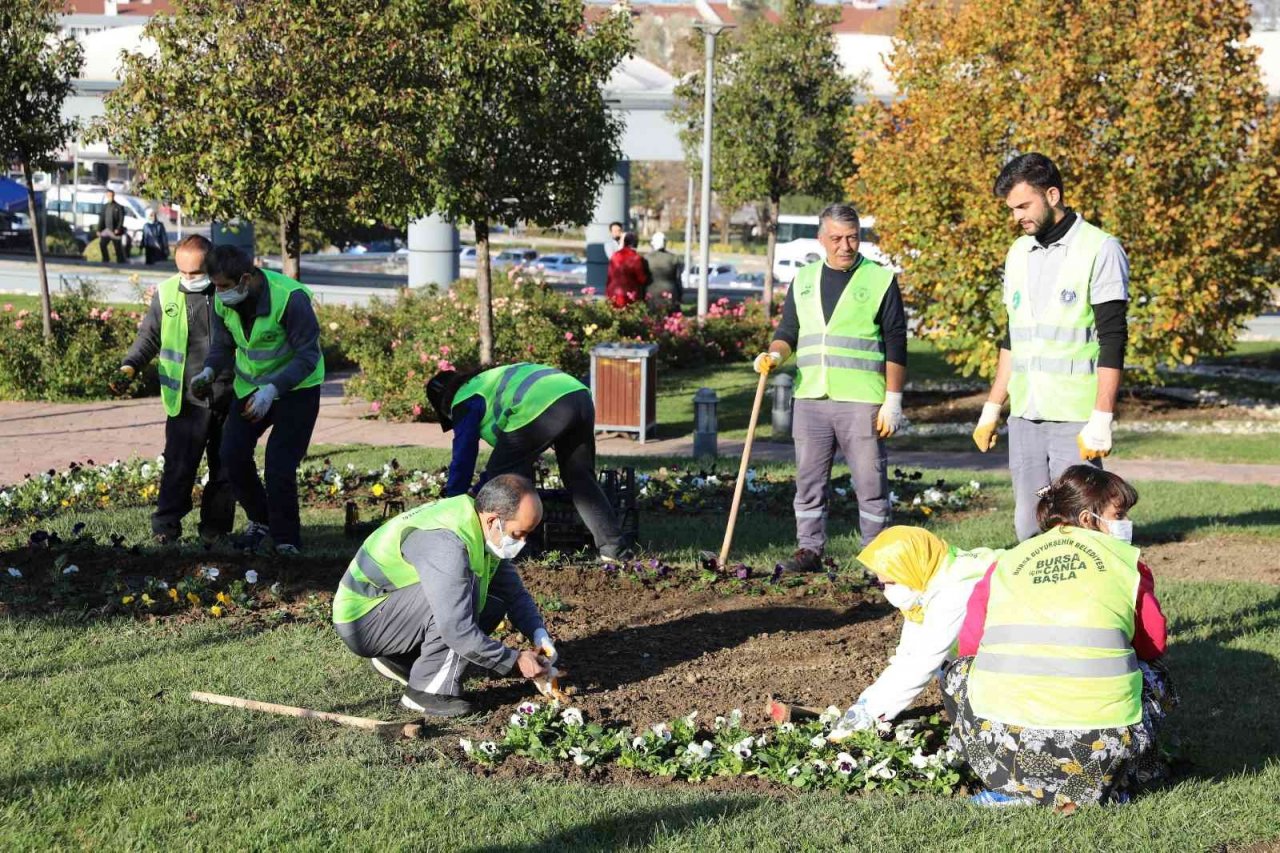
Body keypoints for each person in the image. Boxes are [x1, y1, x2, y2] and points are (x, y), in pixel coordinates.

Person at [943, 465, 1176, 808]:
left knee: (960, 671)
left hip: (1004, 740)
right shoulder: (1125, 564)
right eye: (1120, 513)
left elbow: (970, 646)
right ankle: (1122, 778)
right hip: (1098, 747)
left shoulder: (1007, 561)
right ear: (1088, 518)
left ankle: (1009, 785)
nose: (1127, 522)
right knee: (1152, 674)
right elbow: (1153, 644)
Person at [973, 153, 1130, 541]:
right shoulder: (1017, 254)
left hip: (1076, 418)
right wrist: (992, 407)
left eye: (1024, 206)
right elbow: (1014, 337)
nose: (1016, 218)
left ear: (1053, 194)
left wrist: (1102, 417)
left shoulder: (1100, 248)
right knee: (1029, 526)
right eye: (1011, 209)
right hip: (1026, 415)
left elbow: (1113, 339)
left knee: (1080, 527)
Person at [753, 203, 908, 572]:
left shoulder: (879, 279)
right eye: (836, 238)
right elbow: (788, 332)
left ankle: (876, 556)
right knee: (808, 480)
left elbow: (896, 341)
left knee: (870, 483)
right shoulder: (803, 279)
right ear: (821, 239)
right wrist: (773, 356)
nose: (845, 245)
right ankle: (809, 550)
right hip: (811, 398)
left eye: (852, 237)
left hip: (862, 400)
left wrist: (894, 400)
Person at [332, 474, 557, 717]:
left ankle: (400, 660)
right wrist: (515, 660)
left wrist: (539, 633)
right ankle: (425, 693)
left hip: (390, 610)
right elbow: (457, 630)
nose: (522, 542)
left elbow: (513, 594)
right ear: (494, 520)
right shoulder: (448, 545)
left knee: (492, 605)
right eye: (518, 534)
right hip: (363, 621)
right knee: (462, 597)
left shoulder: (477, 526)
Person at [192, 245, 325, 555]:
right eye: (216, 285)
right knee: (232, 455)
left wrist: (272, 390)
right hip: (250, 388)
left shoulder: (290, 299)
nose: (219, 292)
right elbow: (223, 345)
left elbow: (308, 355)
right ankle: (260, 520)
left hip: (297, 390)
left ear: (246, 279)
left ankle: (286, 540)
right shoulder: (223, 300)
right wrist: (210, 371)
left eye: (225, 285)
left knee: (280, 463)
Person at [426, 362, 630, 562]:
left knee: (502, 479)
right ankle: (613, 549)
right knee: (580, 478)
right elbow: (520, 454)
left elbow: (464, 456)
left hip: (542, 404)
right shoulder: (486, 382)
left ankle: (517, 547)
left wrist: (454, 502)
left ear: (444, 404)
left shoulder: (464, 398)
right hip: (578, 395)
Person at [117, 235, 236, 545]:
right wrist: (130, 365)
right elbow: (148, 337)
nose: (187, 279)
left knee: (226, 468)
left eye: (194, 273)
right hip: (186, 399)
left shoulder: (229, 289)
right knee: (179, 465)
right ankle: (165, 528)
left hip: (230, 394)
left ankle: (216, 530)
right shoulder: (167, 291)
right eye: (181, 271)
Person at [829, 527, 1001, 737]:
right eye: (882, 584)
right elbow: (908, 653)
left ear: (910, 567)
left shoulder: (955, 589)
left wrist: (867, 715)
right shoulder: (931, 575)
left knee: (953, 673)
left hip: (1027, 659)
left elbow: (923, 662)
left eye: (891, 582)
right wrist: (866, 705)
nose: (887, 590)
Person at [606, 232, 650, 308]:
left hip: (612, 292)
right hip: (627, 295)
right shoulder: (635, 258)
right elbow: (642, 279)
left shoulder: (615, 255)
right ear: (636, 243)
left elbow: (609, 275)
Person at [644, 231, 683, 305]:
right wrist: (680, 295)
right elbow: (678, 279)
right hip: (670, 292)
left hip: (651, 293)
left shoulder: (646, 258)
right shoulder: (674, 258)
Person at [99, 190, 128, 263]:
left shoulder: (118, 207)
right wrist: (99, 229)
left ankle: (120, 261)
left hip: (115, 230)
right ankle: (106, 259)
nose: (110, 197)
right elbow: (102, 218)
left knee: (117, 247)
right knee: (102, 244)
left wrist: (118, 228)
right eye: (108, 196)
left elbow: (121, 219)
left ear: (113, 196)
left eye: (111, 196)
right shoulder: (105, 207)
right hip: (106, 230)